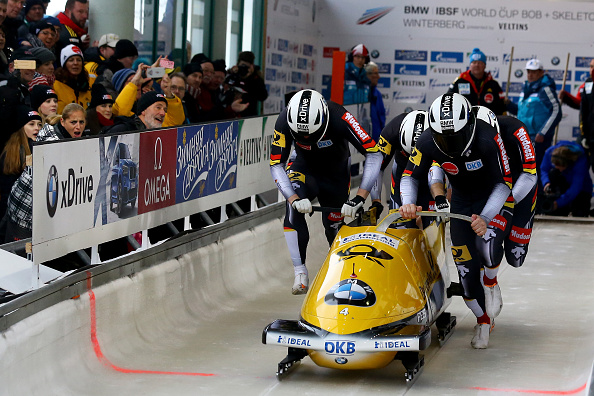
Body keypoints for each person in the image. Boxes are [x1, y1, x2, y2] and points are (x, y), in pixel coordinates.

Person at [399, 93, 512, 349]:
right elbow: (410, 175)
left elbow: (503, 183)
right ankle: (483, 320)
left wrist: (485, 216)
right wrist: (408, 201)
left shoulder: (487, 138)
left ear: (468, 127)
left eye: (455, 138)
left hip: (490, 200)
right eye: (443, 138)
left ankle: (492, 282)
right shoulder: (428, 140)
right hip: (461, 202)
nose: (449, 145)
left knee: (489, 249)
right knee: (466, 272)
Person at [269, 89, 382, 294]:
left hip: (336, 174)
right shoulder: (284, 119)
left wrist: (360, 197)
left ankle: (339, 273)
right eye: (301, 134)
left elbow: (374, 153)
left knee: (333, 225)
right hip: (303, 168)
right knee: (292, 208)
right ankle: (300, 271)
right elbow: (276, 163)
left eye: (310, 133)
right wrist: (294, 199)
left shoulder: (340, 116)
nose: (306, 137)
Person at [473, 106, 538, 271]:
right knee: (487, 247)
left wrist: (510, 199)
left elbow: (530, 174)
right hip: (495, 187)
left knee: (516, 258)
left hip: (521, 186)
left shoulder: (516, 129)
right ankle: (488, 276)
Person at [371, 110, 448, 227]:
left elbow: (436, 174)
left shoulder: (437, 137)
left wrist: (440, 199)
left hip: (429, 175)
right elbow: (377, 167)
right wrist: (376, 201)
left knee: (431, 228)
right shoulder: (392, 131)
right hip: (402, 174)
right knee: (400, 225)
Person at [506, 58, 562, 202]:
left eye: (534, 72)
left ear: (541, 73)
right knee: (522, 169)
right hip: (523, 137)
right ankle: (525, 200)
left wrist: (543, 132)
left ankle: (537, 201)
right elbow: (521, 112)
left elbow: (556, 111)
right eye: (529, 71)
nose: (530, 75)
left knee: (535, 170)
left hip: (538, 139)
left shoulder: (545, 88)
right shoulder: (526, 88)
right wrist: (508, 105)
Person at [0, 105, 41, 221]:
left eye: (39, 124)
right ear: (21, 127)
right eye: (31, 124)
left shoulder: (36, 147)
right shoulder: (13, 153)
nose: (37, 128)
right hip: (13, 216)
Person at [540, 140, 592, 217]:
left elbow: (576, 186)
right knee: (553, 173)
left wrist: (558, 203)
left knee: (580, 212)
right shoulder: (549, 153)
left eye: (562, 168)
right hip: (561, 185)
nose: (560, 170)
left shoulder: (580, 159)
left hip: (581, 190)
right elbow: (544, 169)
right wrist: (546, 183)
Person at [448, 48, 506, 115]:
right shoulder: (459, 81)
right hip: (465, 121)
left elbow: (501, 107)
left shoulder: (493, 84)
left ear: (485, 66)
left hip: (487, 122)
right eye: (474, 62)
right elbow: (449, 100)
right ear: (470, 65)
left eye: (480, 63)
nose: (477, 65)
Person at [53, 44, 93, 113]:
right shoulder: (55, 86)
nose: (75, 63)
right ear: (64, 64)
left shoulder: (86, 87)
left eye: (79, 60)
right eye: (71, 60)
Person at [227, 51, 268, 117]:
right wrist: (233, 74)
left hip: (249, 115)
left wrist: (249, 78)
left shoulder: (255, 78)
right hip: (231, 115)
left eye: (247, 67)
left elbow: (263, 96)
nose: (244, 69)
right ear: (238, 64)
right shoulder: (233, 75)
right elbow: (225, 86)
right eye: (242, 66)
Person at [577, 60, 594, 177]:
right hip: (590, 137)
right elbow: (583, 110)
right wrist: (584, 135)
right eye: (591, 66)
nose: (592, 69)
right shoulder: (588, 83)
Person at [365, 61, 385, 142]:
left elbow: (381, 118)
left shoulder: (377, 94)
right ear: (367, 75)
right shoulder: (359, 95)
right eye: (375, 73)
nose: (378, 77)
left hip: (376, 142)